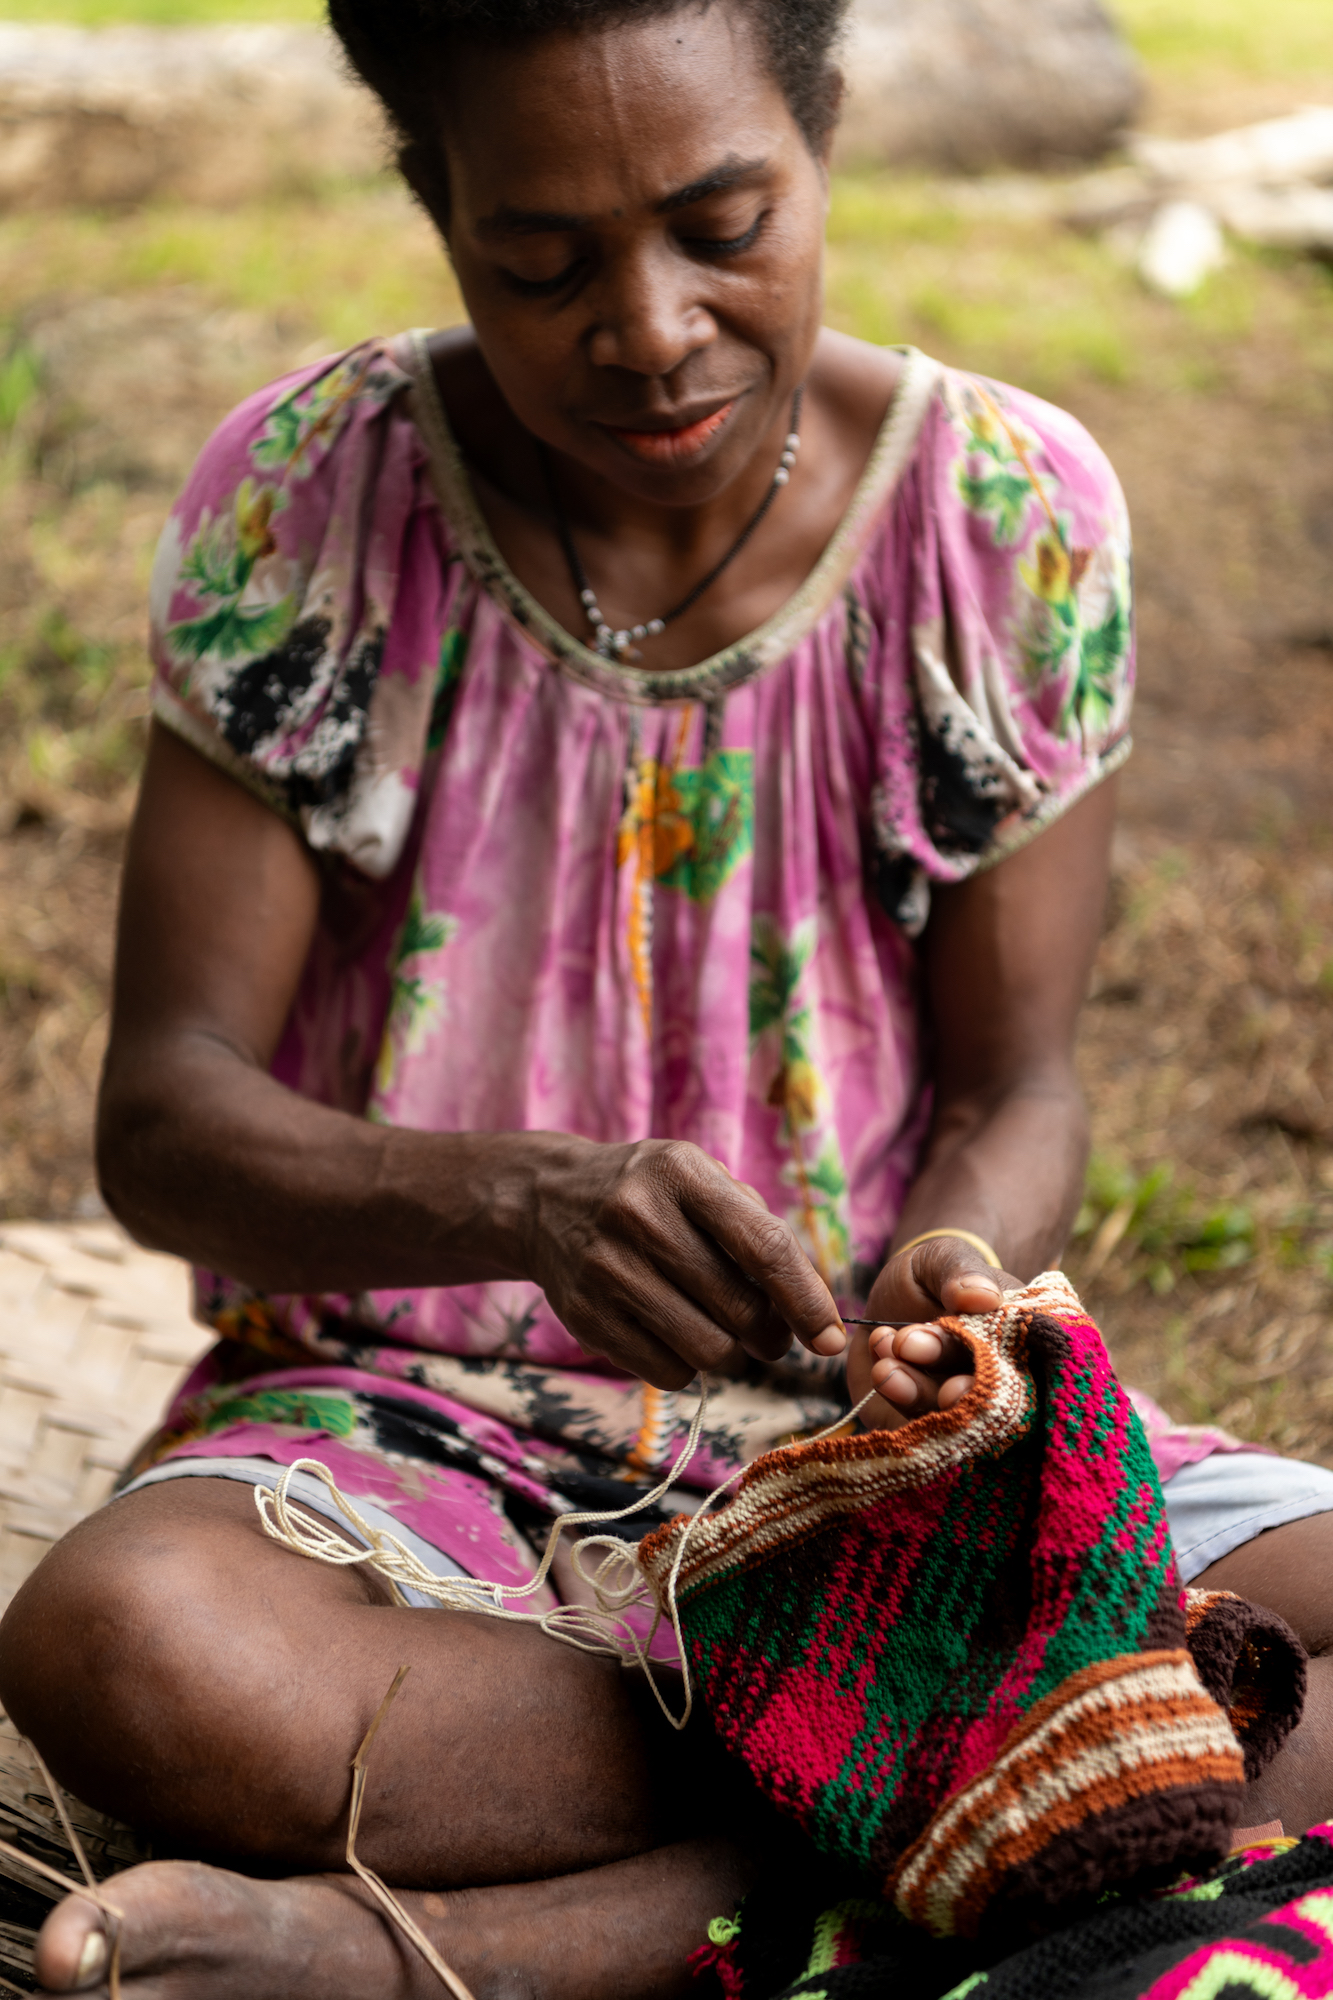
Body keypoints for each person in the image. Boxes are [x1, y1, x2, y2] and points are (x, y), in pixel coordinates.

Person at [3, 1, 1332, 1995]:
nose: (645, 323)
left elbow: (1022, 1083)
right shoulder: (312, 497)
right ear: (432, 203)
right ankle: (983, 1789)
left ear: (821, 138)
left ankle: (488, 1946)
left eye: (723, 221)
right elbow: (166, 1122)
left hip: (886, 1459)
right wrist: (515, 1201)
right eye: (539, 260)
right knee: (132, 1649)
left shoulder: (1002, 519)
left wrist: (953, 1266)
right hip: (417, 1423)